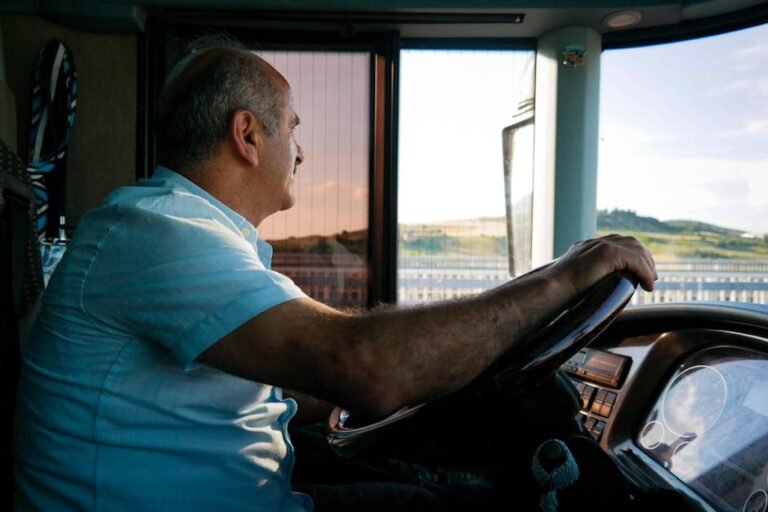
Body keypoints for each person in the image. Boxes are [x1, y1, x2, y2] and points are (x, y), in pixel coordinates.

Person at [13, 39, 657, 512]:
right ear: (248, 135)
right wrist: (563, 278)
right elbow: (367, 367)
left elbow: (325, 378)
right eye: (293, 128)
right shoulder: (159, 235)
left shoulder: (192, 237)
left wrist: (449, 366)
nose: (302, 150)